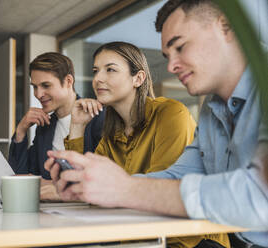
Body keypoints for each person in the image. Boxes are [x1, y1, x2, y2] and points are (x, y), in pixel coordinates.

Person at [45, 0, 268, 247]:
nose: (171, 66)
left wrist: (125, 189)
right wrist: (94, 183)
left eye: (180, 47)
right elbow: (178, 176)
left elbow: (259, 196)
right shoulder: (212, 110)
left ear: (225, 27)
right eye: (167, 55)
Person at [65, 41, 227, 248]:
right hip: (136, 239)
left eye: (110, 70)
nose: (98, 79)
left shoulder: (170, 114)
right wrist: (78, 126)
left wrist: (107, 192)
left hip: (186, 241)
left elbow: (157, 194)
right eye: (96, 71)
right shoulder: (111, 134)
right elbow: (81, 188)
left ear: (138, 78)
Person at [8, 52, 104, 199]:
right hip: (52, 209)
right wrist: (21, 129)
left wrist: (51, 185)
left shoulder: (96, 116)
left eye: (46, 85)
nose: (38, 94)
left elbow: (103, 176)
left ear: (68, 81)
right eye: (35, 87)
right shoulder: (45, 125)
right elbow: (21, 174)